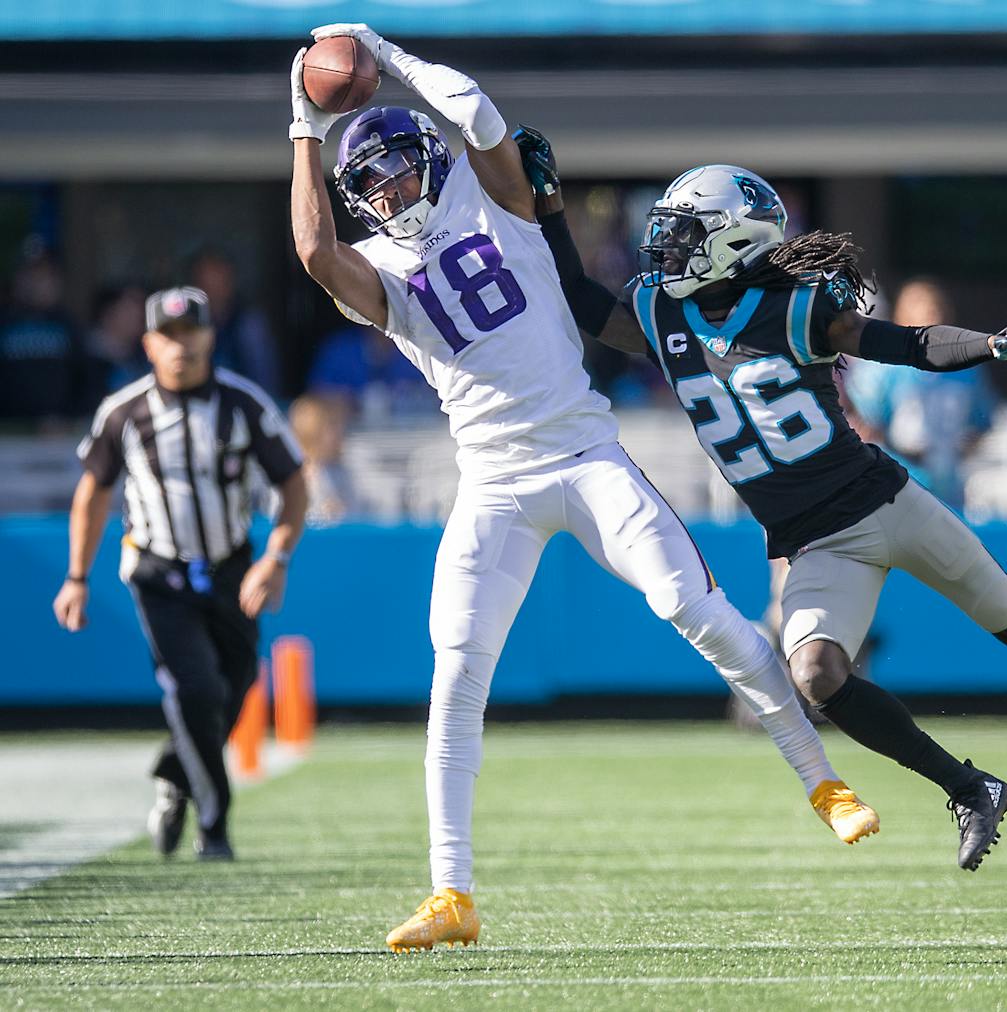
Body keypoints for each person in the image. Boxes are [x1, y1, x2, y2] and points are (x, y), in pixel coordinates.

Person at [286, 24, 874, 953]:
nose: (385, 191)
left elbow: (478, 113)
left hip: (585, 455)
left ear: (426, 159)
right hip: (491, 484)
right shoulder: (386, 273)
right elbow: (318, 253)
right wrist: (303, 128)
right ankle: (452, 893)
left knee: (695, 606)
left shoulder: (500, 204)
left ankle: (821, 780)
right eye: (369, 185)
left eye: (395, 168)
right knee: (455, 677)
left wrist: (386, 57)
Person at [519, 130, 1007, 875]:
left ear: (732, 240)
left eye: (682, 234)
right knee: (816, 674)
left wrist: (989, 344)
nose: (664, 249)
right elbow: (586, 301)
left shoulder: (795, 309)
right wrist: (550, 204)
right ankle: (969, 787)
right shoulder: (660, 310)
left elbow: (908, 344)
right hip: (814, 542)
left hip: (886, 502)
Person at [51, 286, 309, 861]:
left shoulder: (244, 405)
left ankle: (176, 776)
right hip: (156, 570)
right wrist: (76, 576)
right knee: (194, 687)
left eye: (191, 333)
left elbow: (294, 483)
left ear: (209, 337)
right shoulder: (124, 413)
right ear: (148, 343)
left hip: (231, 567)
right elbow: (91, 494)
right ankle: (213, 828)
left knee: (233, 688)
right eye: (168, 336)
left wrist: (277, 558)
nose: (181, 347)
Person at [845, 279, 995, 506]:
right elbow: (866, 427)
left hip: (949, 479)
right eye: (920, 307)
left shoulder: (968, 370)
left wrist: (953, 452)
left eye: (935, 307)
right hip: (898, 479)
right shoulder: (882, 367)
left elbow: (983, 422)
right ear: (900, 316)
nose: (930, 314)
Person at [0, 249, 83, 425]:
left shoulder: (69, 325)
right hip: (9, 433)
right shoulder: (4, 322)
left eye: (43, 276)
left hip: (59, 434)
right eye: (29, 276)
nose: (36, 284)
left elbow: (83, 377)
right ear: (17, 280)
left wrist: (68, 418)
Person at [188, 248, 282, 395]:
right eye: (206, 282)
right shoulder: (186, 324)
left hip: (242, 403)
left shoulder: (250, 325)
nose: (213, 289)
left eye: (218, 281)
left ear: (230, 282)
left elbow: (265, 383)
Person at [289, 393, 361, 522]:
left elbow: (355, 515)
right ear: (312, 429)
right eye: (332, 425)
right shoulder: (291, 475)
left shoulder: (343, 473)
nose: (340, 431)